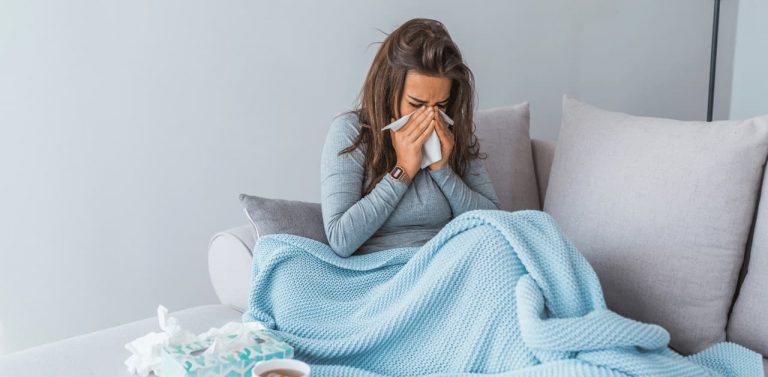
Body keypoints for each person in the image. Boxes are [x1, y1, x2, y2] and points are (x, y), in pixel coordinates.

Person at [320, 18, 502, 258]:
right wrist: (403, 170)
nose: (429, 116)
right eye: (416, 104)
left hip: (450, 260)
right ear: (387, 90)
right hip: (386, 269)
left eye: (440, 105)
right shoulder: (351, 131)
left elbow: (496, 222)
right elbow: (341, 239)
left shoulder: (453, 134)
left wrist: (443, 170)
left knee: (537, 226)